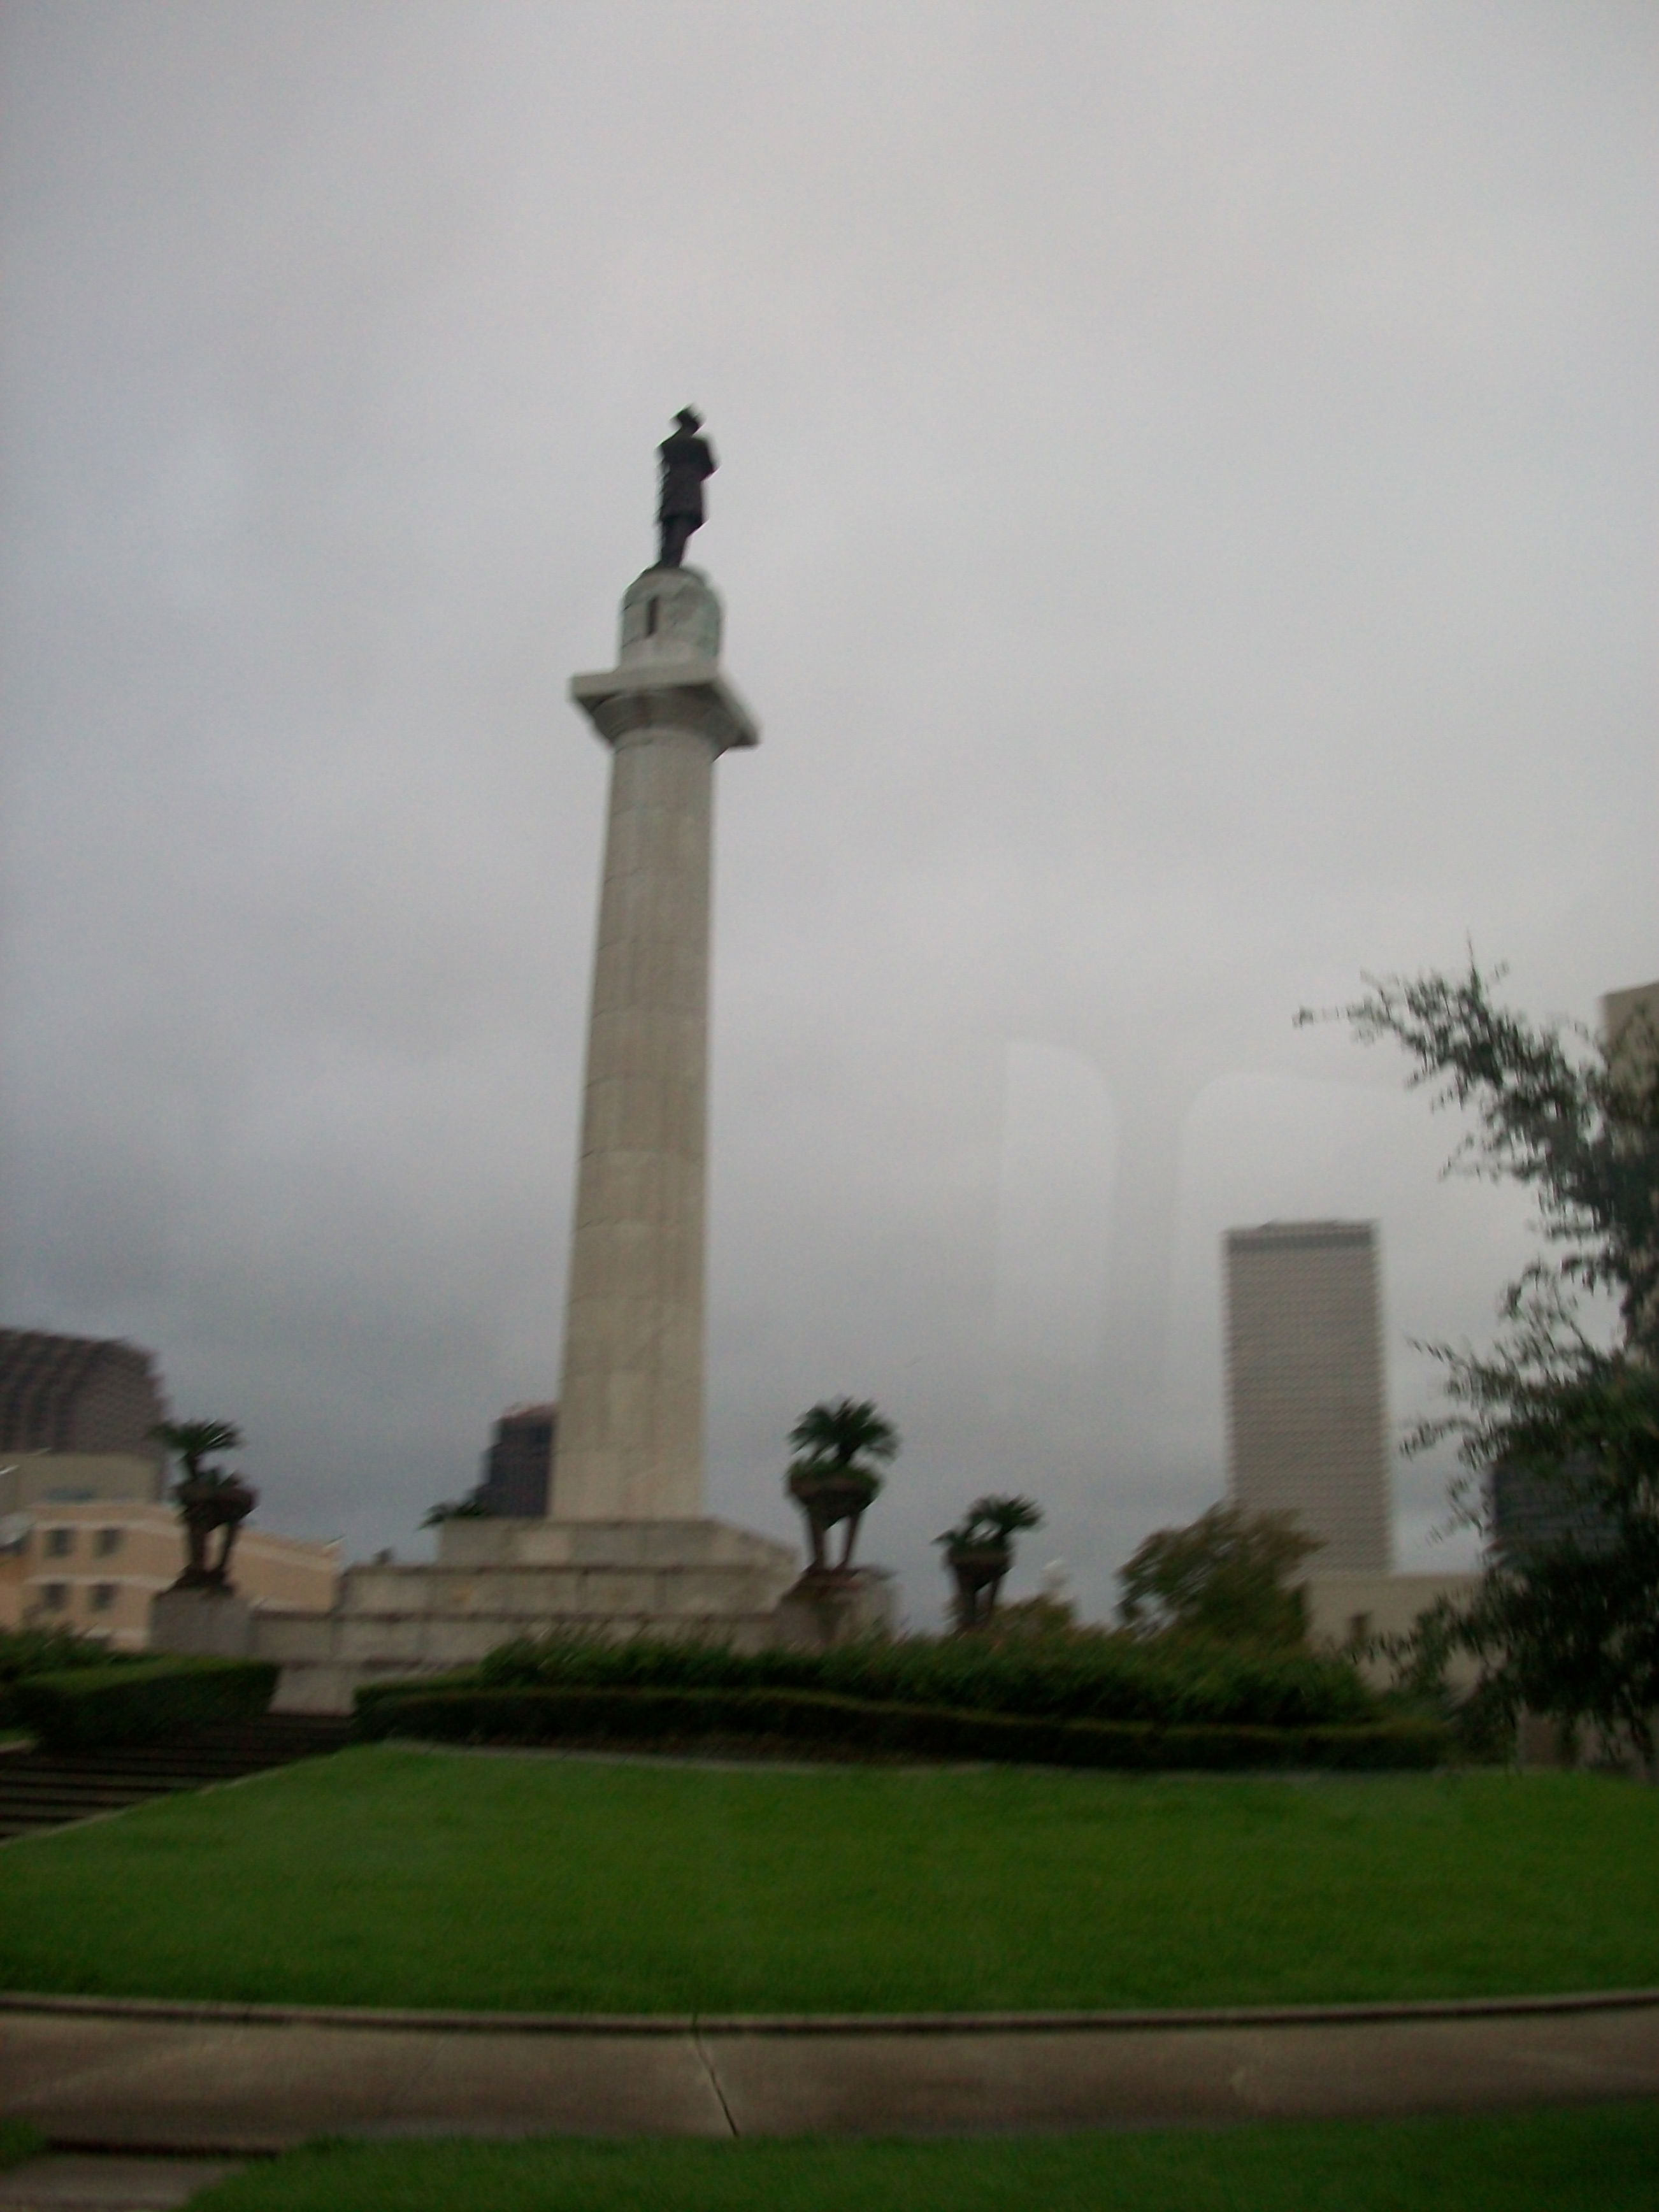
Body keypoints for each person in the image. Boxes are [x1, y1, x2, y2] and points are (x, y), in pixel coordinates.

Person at [656, 408, 716, 567]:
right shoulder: (699, 444)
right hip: (690, 486)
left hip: (670, 486)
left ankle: (664, 559)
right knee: (683, 522)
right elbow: (710, 467)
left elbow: (664, 465)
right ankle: (674, 561)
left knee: (669, 523)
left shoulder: (667, 445)